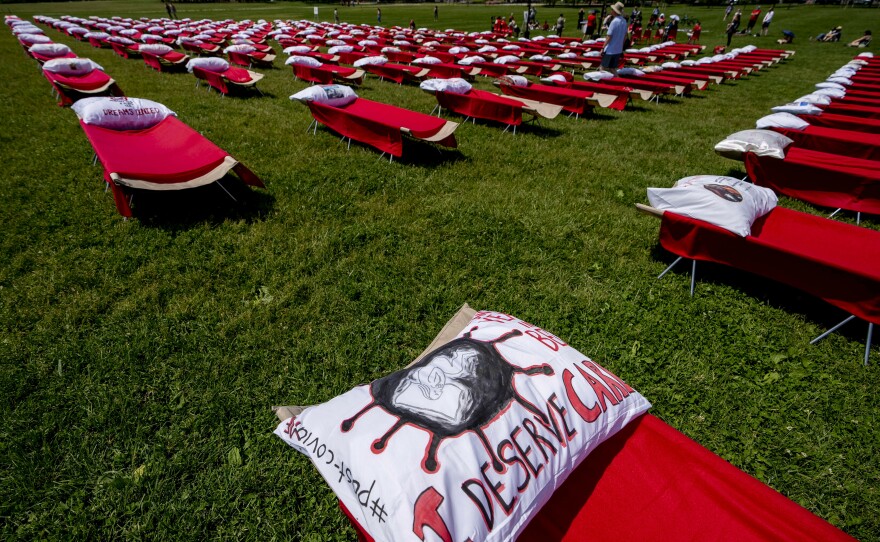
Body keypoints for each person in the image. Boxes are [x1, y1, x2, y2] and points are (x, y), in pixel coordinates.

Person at [601, 2, 627, 74]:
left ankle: (601, 82)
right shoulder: (624, 21)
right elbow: (625, 36)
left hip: (611, 49)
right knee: (612, 68)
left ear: (614, 11)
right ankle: (618, 81)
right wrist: (621, 47)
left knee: (602, 67)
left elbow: (609, 36)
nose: (611, 10)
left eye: (612, 9)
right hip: (618, 49)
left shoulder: (614, 22)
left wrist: (603, 47)